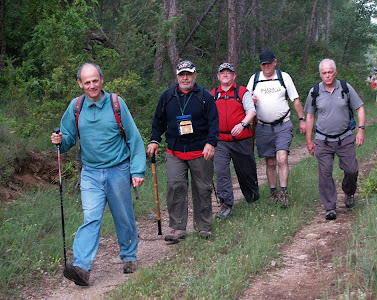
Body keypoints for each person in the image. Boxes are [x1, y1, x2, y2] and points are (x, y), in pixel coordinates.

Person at [50, 63, 146, 286]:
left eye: (95, 80)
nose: (92, 85)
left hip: (118, 169)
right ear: (80, 84)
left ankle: (129, 256)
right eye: (87, 82)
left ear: (102, 79)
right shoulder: (76, 107)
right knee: (91, 217)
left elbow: (134, 138)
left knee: (123, 215)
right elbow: (67, 140)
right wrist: (59, 141)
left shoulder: (116, 103)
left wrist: (138, 170)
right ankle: (82, 267)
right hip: (90, 172)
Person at [147, 60, 219, 243]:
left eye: (188, 74)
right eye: (181, 74)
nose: (185, 78)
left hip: (200, 151)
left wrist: (211, 143)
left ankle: (203, 227)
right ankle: (178, 227)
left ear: (194, 75)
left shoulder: (204, 96)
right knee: (175, 187)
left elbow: (214, 123)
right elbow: (158, 121)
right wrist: (155, 140)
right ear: (177, 76)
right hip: (175, 150)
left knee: (202, 189)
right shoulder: (167, 96)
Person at [304, 58, 365, 220]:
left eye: (330, 72)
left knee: (351, 170)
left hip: (345, 138)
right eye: (324, 73)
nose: (327, 75)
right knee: (325, 174)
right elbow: (310, 116)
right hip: (323, 140)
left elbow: (359, 108)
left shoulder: (345, 88)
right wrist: (309, 140)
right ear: (320, 74)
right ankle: (330, 206)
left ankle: (349, 193)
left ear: (335, 72)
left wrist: (361, 130)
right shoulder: (315, 91)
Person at [246, 49, 306, 207]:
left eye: (269, 63)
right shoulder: (255, 79)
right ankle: (273, 193)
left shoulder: (283, 77)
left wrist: (302, 119)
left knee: (282, 158)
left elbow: (296, 100)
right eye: (263, 64)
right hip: (263, 126)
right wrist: (250, 100)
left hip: (283, 125)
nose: (266, 66)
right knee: (270, 162)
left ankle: (284, 193)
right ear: (260, 65)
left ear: (275, 62)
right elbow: (245, 101)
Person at [210, 63, 259, 219]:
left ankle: (252, 197)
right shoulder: (212, 95)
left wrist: (243, 124)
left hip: (242, 139)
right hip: (221, 140)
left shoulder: (242, 92)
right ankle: (226, 204)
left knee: (246, 171)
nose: (225, 75)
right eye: (222, 72)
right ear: (218, 76)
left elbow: (251, 110)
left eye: (228, 72)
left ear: (234, 76)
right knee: (222, 172)